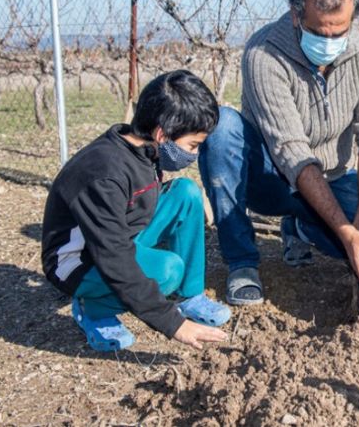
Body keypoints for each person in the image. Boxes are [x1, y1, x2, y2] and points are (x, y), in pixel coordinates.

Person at [198, 0, 359, 306]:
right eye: (320, 32)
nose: (330, 42)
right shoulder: (264, 53)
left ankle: (301, 228)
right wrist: (345, 230)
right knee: (222, 127)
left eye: (340, 32)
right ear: (295, 15)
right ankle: (242, 261)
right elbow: (291, 151)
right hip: (271, 176)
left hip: (332, 178)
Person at [41, 70, 230, 352]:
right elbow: (113, 256)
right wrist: (172, 324)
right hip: (79, 261)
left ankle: (190, 295)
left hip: (117, 236)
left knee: (186, 193)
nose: (194, 154)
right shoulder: (103, 174)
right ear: (162, 134)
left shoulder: (143, 149)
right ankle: (92, 307)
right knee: (167, 270)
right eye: (192, 145)